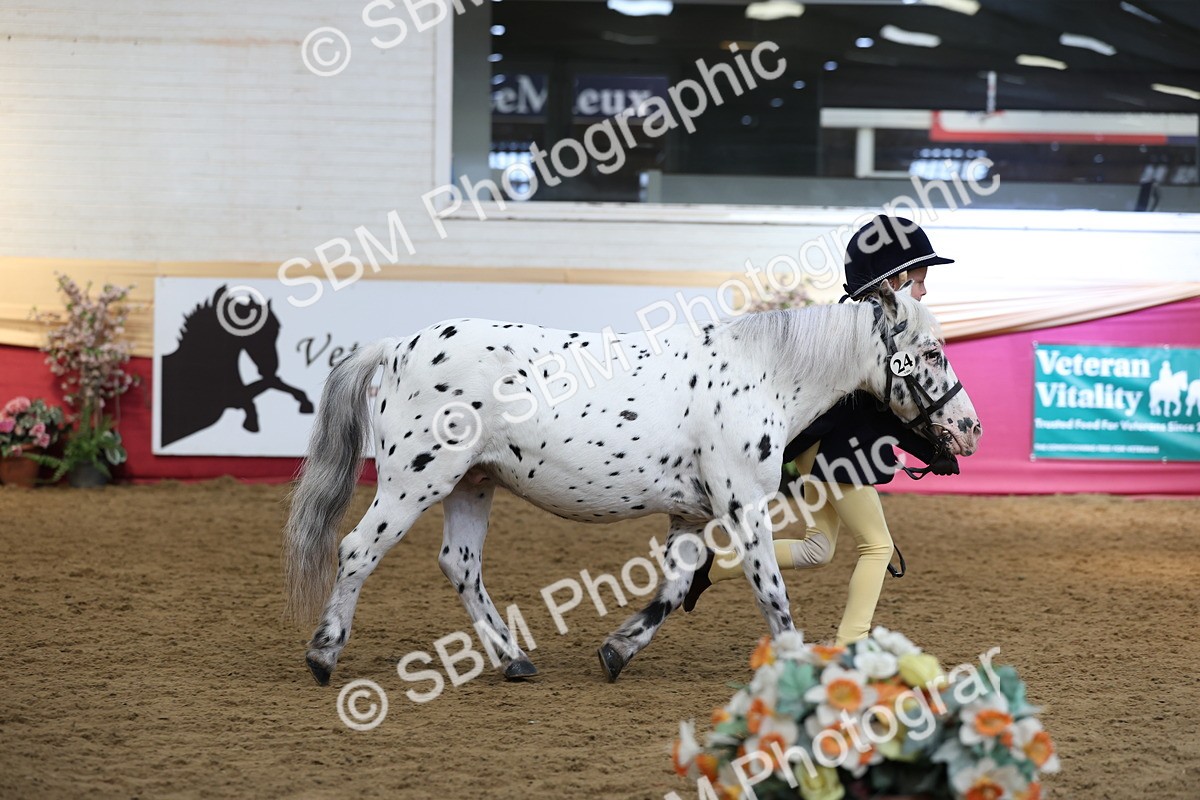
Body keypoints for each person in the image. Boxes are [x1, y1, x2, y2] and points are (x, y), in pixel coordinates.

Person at [684, 215, 961, 646]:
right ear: (896, 279)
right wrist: (931, 451)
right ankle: (852, 646)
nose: (924, 291)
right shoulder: (870, 335)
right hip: (840, 455)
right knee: (877, 547)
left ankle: (712, 565)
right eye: (919, 280)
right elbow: (887, 414)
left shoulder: (851, 326)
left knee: (818, 549)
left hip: (819, 453)